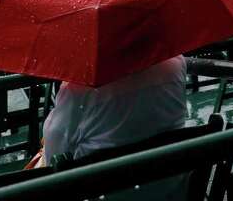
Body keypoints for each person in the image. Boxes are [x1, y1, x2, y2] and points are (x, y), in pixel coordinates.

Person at [41, 56, 188, 193]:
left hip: (105, 191)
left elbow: (54, 156)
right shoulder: (174, 65)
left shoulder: (78, 88)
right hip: (167, 190)